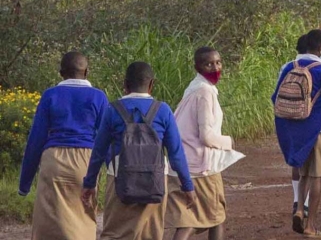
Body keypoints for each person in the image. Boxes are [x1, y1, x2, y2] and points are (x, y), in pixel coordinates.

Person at [82, 62, 197, 240]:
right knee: (150, 234)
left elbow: (98, 151)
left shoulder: (113, 110)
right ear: (152, 85)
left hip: (119, 179)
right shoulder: (163, 110)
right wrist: (187, 186)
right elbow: (176, 154)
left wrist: (89, 184)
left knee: (115, 233)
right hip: (156, 181)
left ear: (125, 85)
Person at [18, 52, 108, 240]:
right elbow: (105, 139)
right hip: (86, 162)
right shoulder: (98, 97)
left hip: (54, 160)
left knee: (48, 223)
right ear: (87, 72)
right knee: (83, 217)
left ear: (61, 73)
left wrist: (24, 184)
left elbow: (36, 140)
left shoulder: (50, 95)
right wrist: (116, 173)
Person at [166, 47, 245, 240]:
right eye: (208, 64)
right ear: (197, 67)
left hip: (181, 162)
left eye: (218, 62)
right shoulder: (205, 92)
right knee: (216, 217)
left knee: (189, 221)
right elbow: (207, 137)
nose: (215, 67)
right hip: (202, 165)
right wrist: (229, 142)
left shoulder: (193, 88)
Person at [273, 29, 321, 238]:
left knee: (303, 174)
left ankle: (299, 209)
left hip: (296, 130)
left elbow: (275, 97)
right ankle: (311, 225)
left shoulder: (289, 67)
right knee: (316, 177)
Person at [279, 35, 312, 215]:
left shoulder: (287, 67)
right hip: (312, 121)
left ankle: (297, 200)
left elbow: (277, 94)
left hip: (290, 119)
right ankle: (305, 205)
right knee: (313, 166)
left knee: (296, 161)